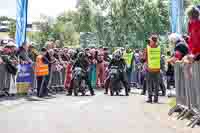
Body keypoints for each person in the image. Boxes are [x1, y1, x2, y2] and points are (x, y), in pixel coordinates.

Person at [143, 35, 161, 103]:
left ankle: (150, 98)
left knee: (149, 84)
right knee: (156, 84)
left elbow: (143, 58)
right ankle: (156, 99)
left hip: (149, 68)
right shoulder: (159, 48)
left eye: (150, 41)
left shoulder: (147, 48)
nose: (149, 42)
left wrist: (142, 60)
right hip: (157, 68)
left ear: (153, 41)